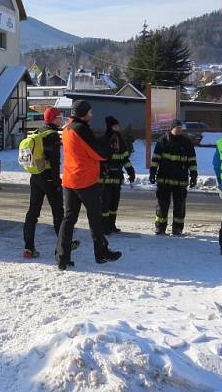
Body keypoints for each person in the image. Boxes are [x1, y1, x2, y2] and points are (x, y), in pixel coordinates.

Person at [56, 100, 122, 270]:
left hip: (70, 179)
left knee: (69, 219)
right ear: (83, 113)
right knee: (95, 218)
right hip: (84, 180)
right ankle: (101, 254)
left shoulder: (68, 128)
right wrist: (109, 149)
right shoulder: (81, 129)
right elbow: (97, 152)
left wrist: (106, 138)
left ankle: (62, 258)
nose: (92, 115)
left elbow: (88, 144)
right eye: (90, 112)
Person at [22, 107, 66, 258]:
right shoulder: (53, 136)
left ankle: (28, 248)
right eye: (60, 116)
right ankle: (63, 248)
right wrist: (57, 183)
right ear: (54, 118)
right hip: (48, 178)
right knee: (58, 213)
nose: (61, 119)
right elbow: (54, 162)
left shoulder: (38, 131)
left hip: (35, 177)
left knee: (33, 212)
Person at [149, 120, 197, 236]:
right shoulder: (163, 141)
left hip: (180, 180)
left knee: (180, 205)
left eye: (180, 128)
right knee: (162, 205)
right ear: (171, 128)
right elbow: (155, 159)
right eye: (177, 128)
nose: (179, 130)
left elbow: (192, 160)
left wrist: (194, 175)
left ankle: (177, 229)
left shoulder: (187, 142)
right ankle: (160, 228)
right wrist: (152, 173)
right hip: (164, 179)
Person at [99, 116, 136, 234]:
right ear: (110, 127)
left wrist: (131, 171)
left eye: (117, 126)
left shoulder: (121, 141)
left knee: (114, 203)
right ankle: (104, 226)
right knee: (105, 204)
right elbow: (99, 159)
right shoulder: (104, 140)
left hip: (117, 177)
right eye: (115, 126)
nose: (117, 128)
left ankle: (111, 225)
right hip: (106, 177)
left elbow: (125, 158)